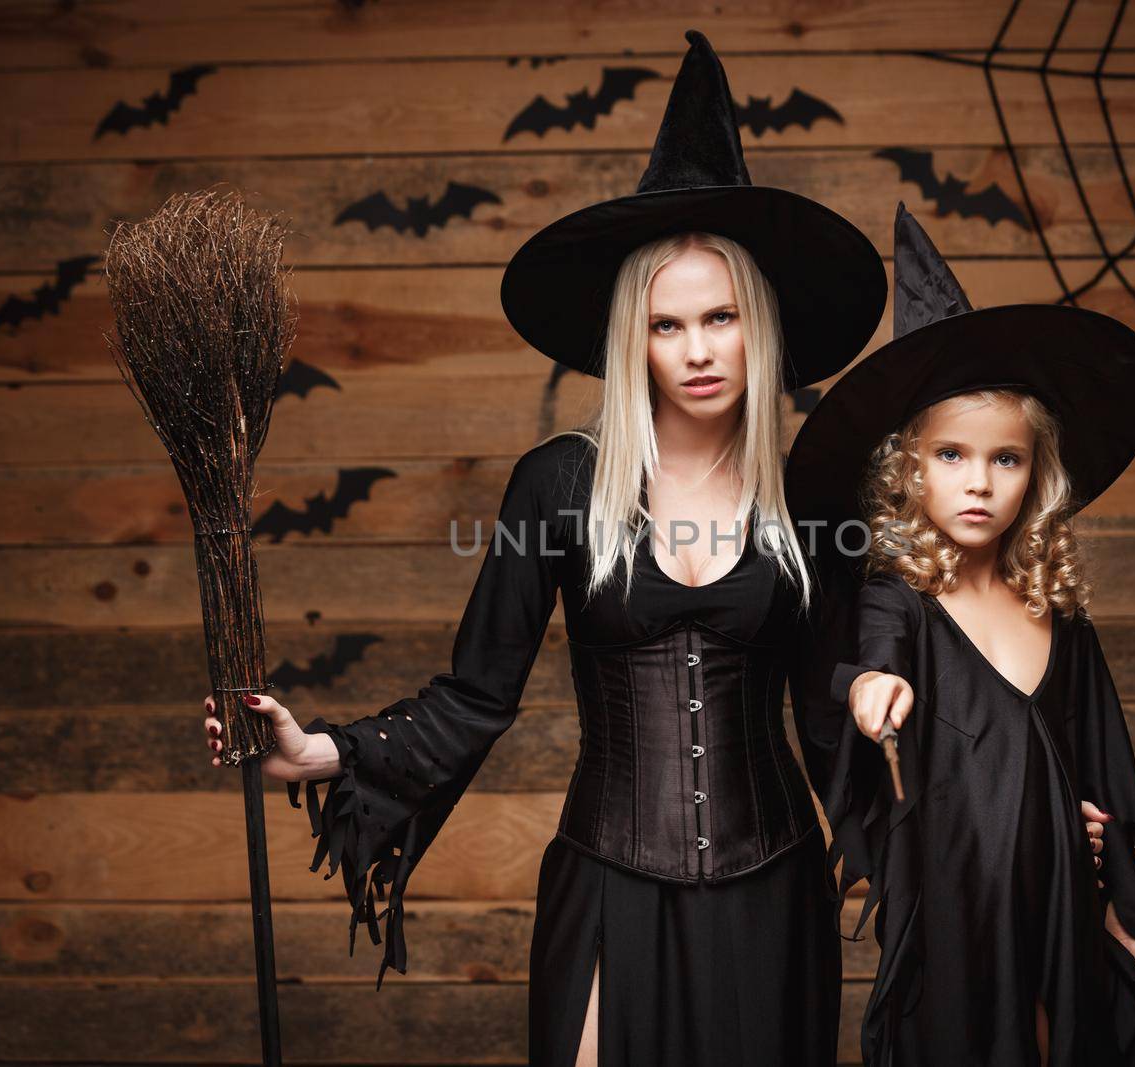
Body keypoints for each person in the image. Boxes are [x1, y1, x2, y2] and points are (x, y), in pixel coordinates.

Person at [203, 29, 891, 1067]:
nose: (698, 350)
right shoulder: (561, 483)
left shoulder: (809, 498)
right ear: (632, 338)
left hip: (773, 883)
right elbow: (476, 693)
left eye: (720, 318)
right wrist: (319, 751)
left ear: (761, 326)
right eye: (667, 325)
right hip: (610, 873)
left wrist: (989, 800)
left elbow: (837, 710)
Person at [784, 204, 1135, 1066]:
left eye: (1004, 459)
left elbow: (1102, 775)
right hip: (955, 930)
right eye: (951, 456)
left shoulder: (1061, 619)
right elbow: (872, 669)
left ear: (1035, 476)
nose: (978, 482)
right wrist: (871, 691)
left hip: (1062, 918)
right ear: (907, 469)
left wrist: (1118, 915)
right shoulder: (897, 602)